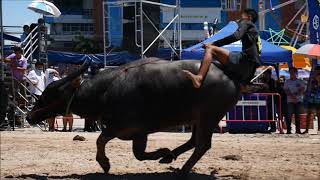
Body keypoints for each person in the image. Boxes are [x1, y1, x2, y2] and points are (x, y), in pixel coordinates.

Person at [183, 8, 261, 89]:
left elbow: (236, 36)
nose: (240, 17)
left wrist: (214, 43)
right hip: (251, 67)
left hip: (245, 60)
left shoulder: (247, 22)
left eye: (242, 15)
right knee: (213, 52)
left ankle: (199, 78)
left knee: (210, 49)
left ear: (249, 17)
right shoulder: (254, 30)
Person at [284, 67, 306, 134]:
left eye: (293, 72)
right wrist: (293, 96)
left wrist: (296, 95)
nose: (292, 74)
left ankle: (298, 130)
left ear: (296, 73)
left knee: (297, 116)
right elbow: (286, 90)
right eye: (291, 72)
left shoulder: (300, 81)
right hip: (290, 101)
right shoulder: (287, 82)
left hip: (298, 101)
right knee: (289, 116)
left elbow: (302, 89)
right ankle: (288, 130)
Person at [303, 66, 320, 134]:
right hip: (311, 98)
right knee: (309, 114)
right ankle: (306, 130)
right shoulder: (312, 79)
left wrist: (318, 81)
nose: (316, 72)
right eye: (316, 71)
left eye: (317, 71)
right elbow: (309, 87)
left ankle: (319, 129)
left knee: (319, 114)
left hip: (318, 99)